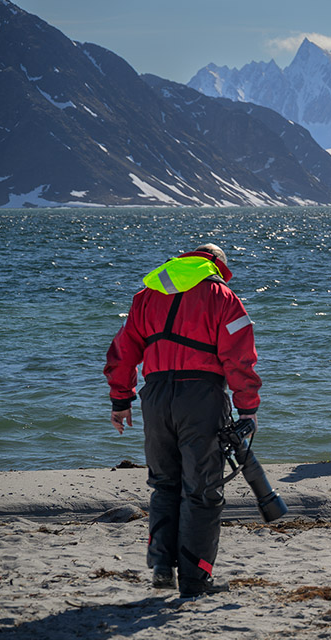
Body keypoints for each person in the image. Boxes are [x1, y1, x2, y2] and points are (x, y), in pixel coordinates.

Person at [104, 243, 260, 599]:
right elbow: (239, 356)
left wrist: (120, 399)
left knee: (164, 485)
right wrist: (247, 407)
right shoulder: (221, 294)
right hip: (201, 397)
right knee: (202, 492)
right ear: (217, 265)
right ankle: (194, 580)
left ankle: (161, 567)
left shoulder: (146, 296)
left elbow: (122, 349)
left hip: (155, 397)